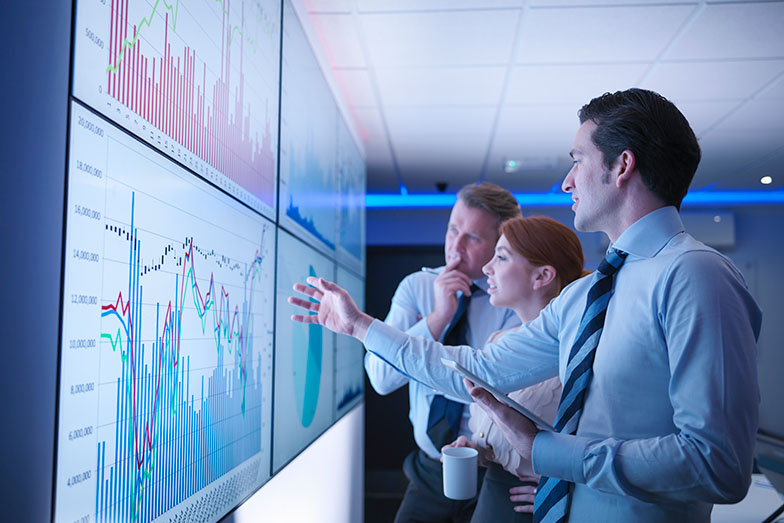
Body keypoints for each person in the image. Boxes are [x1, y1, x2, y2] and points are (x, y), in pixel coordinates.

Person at [290, 88, 763, 522]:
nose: (566, 182)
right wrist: (360, 326)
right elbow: (477, 368)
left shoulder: (696, 276)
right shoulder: (584, 295)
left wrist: (549, 453)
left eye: (577, 160)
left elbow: (717, 465)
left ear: (621, 167)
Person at [365, 182, 522, 522]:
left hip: (495, 470)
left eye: (473, 238)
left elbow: (514, 390)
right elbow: (381, 379)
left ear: (499, 246)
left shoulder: (514, 300)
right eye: (453, 230)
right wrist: (437, 318)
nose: (455, 247)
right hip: (429, 468)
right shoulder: (416, 287)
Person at [442, 215, 587, 522]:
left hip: (534, 508)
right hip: (491, 498)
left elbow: (599, 449)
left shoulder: (577, 357)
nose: (486, 268)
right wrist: (473, 447)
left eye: (502, 257)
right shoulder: (500, 341)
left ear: (542, 276)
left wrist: (568, 491)